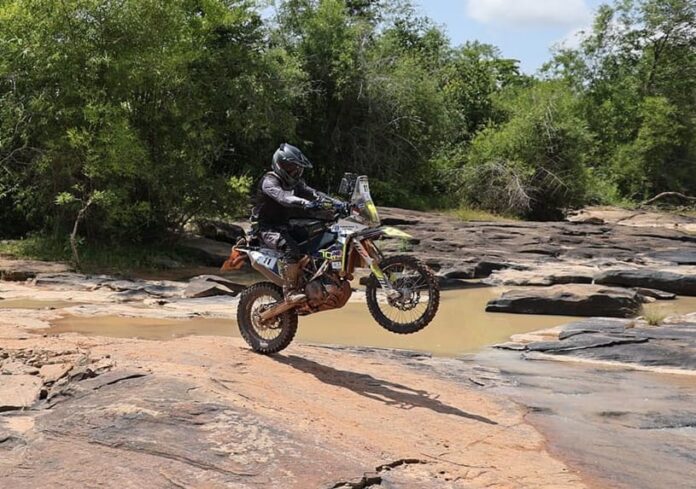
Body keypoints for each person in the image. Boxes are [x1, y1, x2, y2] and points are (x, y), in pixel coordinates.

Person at [251, 143, 345, 302]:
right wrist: (305, 203)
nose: (294, 171)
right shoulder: (270, 181)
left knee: (318, 235)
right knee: (291, 249)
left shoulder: (296, 183)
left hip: (285, 226)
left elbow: (314, 193)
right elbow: (283, 197)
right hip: (266, 229)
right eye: (290, 167)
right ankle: (290, 291)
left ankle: (315, 276)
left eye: (297, 168)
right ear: (279, 165)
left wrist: (340, 204)